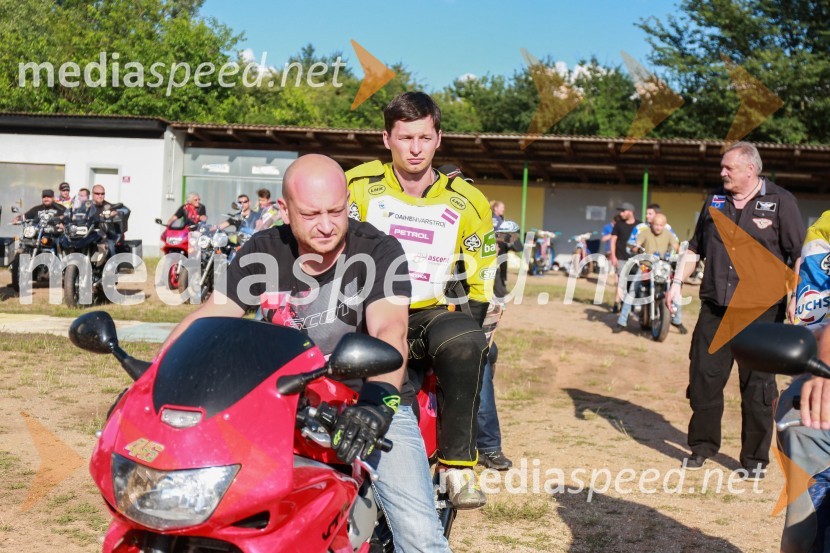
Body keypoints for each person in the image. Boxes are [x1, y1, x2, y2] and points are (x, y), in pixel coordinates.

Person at [160, 154, 451, 553]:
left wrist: (378, 404)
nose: (328, 225)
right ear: (285, 209)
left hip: (368, 394)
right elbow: (211, 316)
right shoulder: (263, 250)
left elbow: (390, 329)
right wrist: (156, 377)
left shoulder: (380, 251)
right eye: (312, 214)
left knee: (420, 537)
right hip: (280, 398)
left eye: (336, 210)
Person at [346, 91, 495, 509]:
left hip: (429, 313)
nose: (415, 148)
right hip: (365, 310)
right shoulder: (358, 186)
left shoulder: (467, 200)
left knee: (467, 342)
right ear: (386, 138)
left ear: (439, 139)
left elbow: (482, 266)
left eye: (424, 138)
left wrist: (480, 322)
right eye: (405, 137)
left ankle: (458, 468)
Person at [667, 141, 805, 475]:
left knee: (758, 387)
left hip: (762, 313)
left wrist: (796, 296)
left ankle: (754, 460)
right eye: (722, 167)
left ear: (750, 170)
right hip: (715, 307)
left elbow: (798, 254)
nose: (722, 172)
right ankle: (701, 447)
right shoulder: (715, 199)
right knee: (703, 380)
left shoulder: (781, 202)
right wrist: (674, 283)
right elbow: (695, 248)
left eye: (728, 167)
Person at [775, 210, 830, 553]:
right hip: (821, 402)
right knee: (802, 532)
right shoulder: (824, 229)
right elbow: (813, 323)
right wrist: (821, 364)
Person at [614, 213, 687, 334]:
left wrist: (679, 251)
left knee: (675, 291)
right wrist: (635, 248)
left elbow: (676, 246)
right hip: (645, 266)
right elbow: (635, 245)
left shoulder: (668, 234)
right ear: (651, 224)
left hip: (663, 266)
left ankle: (677, 320)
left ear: (664, 225)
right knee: (632, 290)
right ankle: (621, 321)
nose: (658, 227)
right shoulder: (645, 233)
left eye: (661, 225)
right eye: (656, 225)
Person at [609, 202, 641, 312]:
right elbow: (613, 241)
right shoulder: (618, 225)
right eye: (620, 211)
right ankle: (616, 303)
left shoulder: (639, 225)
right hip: (621, 258)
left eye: (623, 211)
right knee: (621, 282)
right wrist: (613, 257)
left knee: (633, 283)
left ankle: (628, 304)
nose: (621, 214)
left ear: (630, 212)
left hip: (635, 260)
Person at [87, 184, 129, 257]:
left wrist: (116, 213)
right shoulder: (87, 205)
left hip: (105, 235)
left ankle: (113, 265)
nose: (100, 196)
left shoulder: (109, 206)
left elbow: (126, 211)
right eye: (97, 193)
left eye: (102, 194)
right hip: (89, 234)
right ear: (92, 194)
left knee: (110, 246)